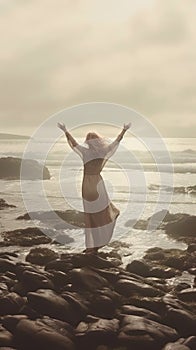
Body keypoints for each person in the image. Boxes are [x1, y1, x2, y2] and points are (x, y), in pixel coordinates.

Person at [57, 122, 131, 254]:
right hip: (98, 183)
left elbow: (73, 143)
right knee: (102, 212)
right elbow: (116, 142)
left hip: (87, 185)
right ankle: (99, 241)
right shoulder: (104, 151)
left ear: (87, 142)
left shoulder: (85, 152)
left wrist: (65, 130)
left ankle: (92, 246)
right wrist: (124, 130)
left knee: (90, 216)